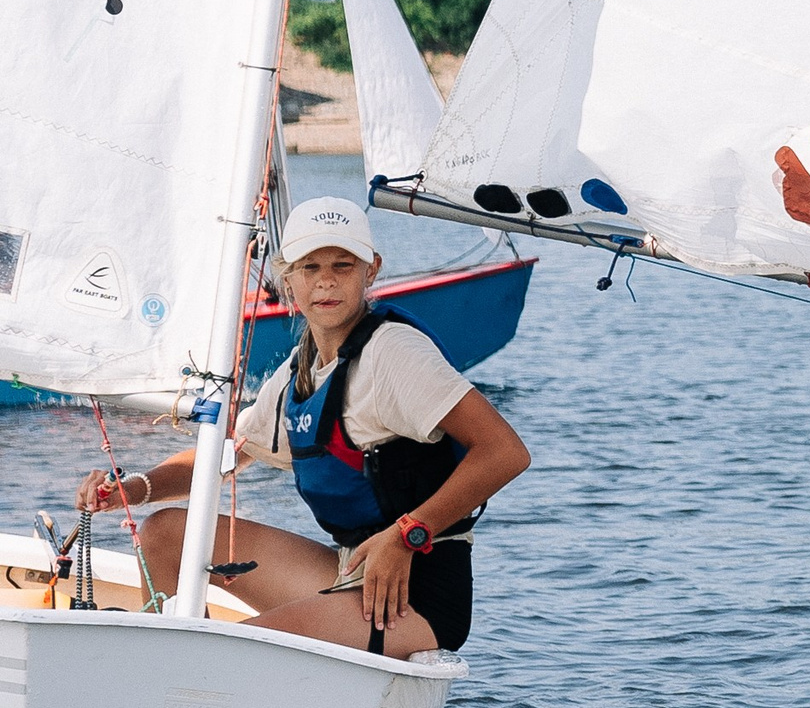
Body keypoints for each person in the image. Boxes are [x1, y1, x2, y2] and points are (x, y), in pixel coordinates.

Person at [72, 196, 528, 658]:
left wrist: (409, 533)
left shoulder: (395, 353)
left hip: (415, 593)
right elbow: (230, 454)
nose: (326, 280)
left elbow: (505, 452)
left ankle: (197, 668)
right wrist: (132, 489)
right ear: (286, 279)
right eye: (309, 267)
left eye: (342, 265)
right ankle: (186, 673)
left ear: (371, 271)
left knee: (234, 648)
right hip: (350, 570)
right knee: (164, 533)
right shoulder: (301, 368)